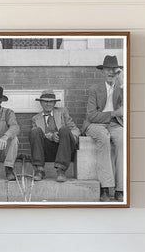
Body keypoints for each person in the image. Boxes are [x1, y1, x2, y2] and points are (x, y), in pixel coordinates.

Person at [83, 55, 124, 202]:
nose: (110, 72)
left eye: (114, 69)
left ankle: (120, 188)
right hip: (95, 125)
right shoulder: (95, 89)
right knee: (104, 139)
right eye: (107, 69)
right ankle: (105, 188)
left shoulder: (121, 89)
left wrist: (121, 81)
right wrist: (113, 113)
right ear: (102, 71)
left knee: (121, 141)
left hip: (115, 124)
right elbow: (92, 115)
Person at [29, 90, 80, 182]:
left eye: (51, 102)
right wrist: (50, 136)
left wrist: (66, 137)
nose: (48, 104)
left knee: (64, 129)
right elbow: (37, 138)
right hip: (47, 151)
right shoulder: (35, 118)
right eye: (45, 101)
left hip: (64, 149)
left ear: (54, 103)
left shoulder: (62, 112)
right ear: (41, 103)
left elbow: (75, 130)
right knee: (35, 131)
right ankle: (39, 170)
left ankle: (61, 170)